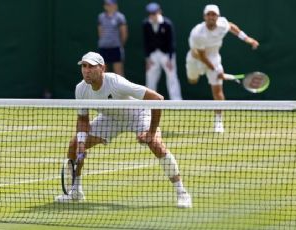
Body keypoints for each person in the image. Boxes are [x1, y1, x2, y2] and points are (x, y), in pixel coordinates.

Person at [54, 52, 192, 208]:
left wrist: (151, 132)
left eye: (91, 66)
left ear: (102, 68)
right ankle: (76, 191)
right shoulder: (81, 89)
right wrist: (80, 143)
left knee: (156, 145)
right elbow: (83, 119)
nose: (86, 70)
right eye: (84, 66)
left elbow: (157, 99)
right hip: (110, 119)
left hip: (137, 114)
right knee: (74, 145)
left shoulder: (116, 83)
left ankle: (182, 193)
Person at [186, 4, 259, 133]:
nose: (211, 17)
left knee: (218, 92)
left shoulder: (222, 25)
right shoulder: (197, 33)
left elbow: (231, 27)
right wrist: (216, 70)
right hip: (196, 59)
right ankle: (195, 75)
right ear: (204, 17)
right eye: (208, 14)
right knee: (192, 81)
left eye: (214, 14)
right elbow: (202, 56)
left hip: (214, 57)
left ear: (218, 17)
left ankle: (218, 122)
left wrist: (247, 39)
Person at [142, 2, 182, 100]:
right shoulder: (146, 24)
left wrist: (170, 58)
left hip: (166, 55)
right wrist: (147, 58)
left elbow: (171, 42)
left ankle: (176, 101)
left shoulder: (167, 24)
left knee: (172, 77)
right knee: (150, 78)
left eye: (154, 13)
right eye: (151, 13)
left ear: (159, 12)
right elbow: (146, 42)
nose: (153, 15)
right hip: (152, 56)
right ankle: (149, 101)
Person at [98, 0, 128, 76]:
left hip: (116, 48)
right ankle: (106, 88)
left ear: (115, 5)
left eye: (111, 4)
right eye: (107, 5)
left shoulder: (120, 17)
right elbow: (100, 32)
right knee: (103, 71)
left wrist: (120, 44)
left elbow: (124, 33)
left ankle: (121, 88)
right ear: (105, 6)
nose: (109, 6)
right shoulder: (101, 17)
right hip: (103, 47)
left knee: (118, 72)